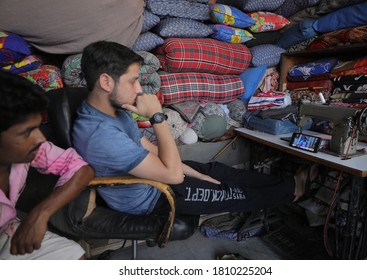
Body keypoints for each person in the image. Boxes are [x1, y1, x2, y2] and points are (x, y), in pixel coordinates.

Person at [72, 40, 313, 218]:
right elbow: (174, 176)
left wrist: (197, 174)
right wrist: (158, 117)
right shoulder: (99, 135)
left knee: (217, 171)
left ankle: (288, 182)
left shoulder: (111, 110)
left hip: (157, 176)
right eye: (132, 80)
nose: (138, 90)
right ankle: (292, 189)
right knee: (230, 193)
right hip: (152, 197)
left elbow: (149, 149)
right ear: (105, 82)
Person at [0, 71, 95, 259]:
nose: (40, 138)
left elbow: (80, 168)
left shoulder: (29, 152)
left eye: (37, 127)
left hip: (6, 229)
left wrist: (41, 214)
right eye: (27, 132)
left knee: (75, 258)